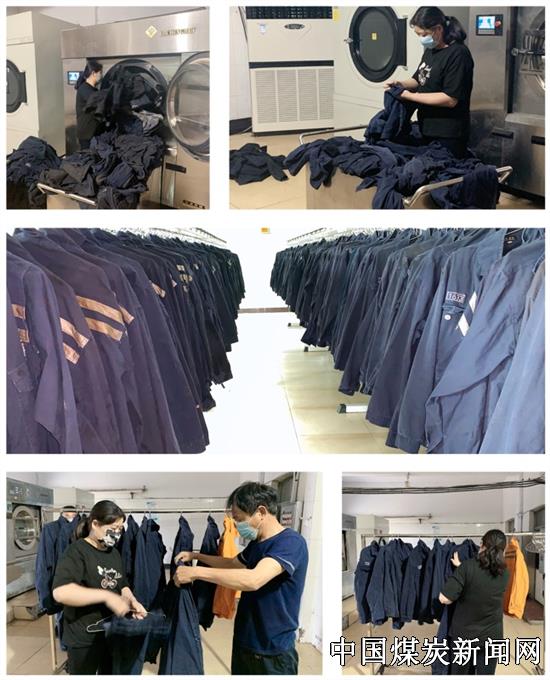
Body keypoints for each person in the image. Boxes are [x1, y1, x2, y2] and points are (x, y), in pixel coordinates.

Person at [173, 482, 309, 676]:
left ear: (261, 512)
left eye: (239, 519)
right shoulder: (257, 543)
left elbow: (253, 579)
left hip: (273, 650)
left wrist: (196, 572)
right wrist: (196, 556)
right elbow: (231, 563)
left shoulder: (290, 542)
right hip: (245, 641)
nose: (237, 525)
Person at [52, 500, 147, 675]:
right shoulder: (76, 552)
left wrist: (132, 601)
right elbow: (61, 592)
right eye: (113, 528)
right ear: (95, 524)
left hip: (111, 633)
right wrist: (107, 596)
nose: (117, 533)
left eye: (120, 529)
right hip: (84, 637)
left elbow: (122, 584)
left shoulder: (113, 553)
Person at [385, 7, 474, 158]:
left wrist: (409, 96)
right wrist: (400, 84)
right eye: (418, 35)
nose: (421, 39)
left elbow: (450, 99)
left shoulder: (458, 54)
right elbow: (418, 79)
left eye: (424, 34)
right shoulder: (431, 50)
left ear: (438, 29)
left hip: (449, 134)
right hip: (427, 128)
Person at [439, 529, 510, 675]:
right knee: (487, 673)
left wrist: (460, 571)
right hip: (492, 636)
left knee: (460, 673)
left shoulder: (467, 567)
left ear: (481, 544)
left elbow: (444, 598)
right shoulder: (505, 572)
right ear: (504, 549)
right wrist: (462, 569)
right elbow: (483, 579)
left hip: (465, 635)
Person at [74, 60, 103, 150]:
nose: (101, 76)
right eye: (100, 73)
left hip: (93, 132)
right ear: (94, 73)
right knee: (88, 156)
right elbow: (96, 101)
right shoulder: (84, 89)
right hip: (86, 134)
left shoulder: (94, 90)